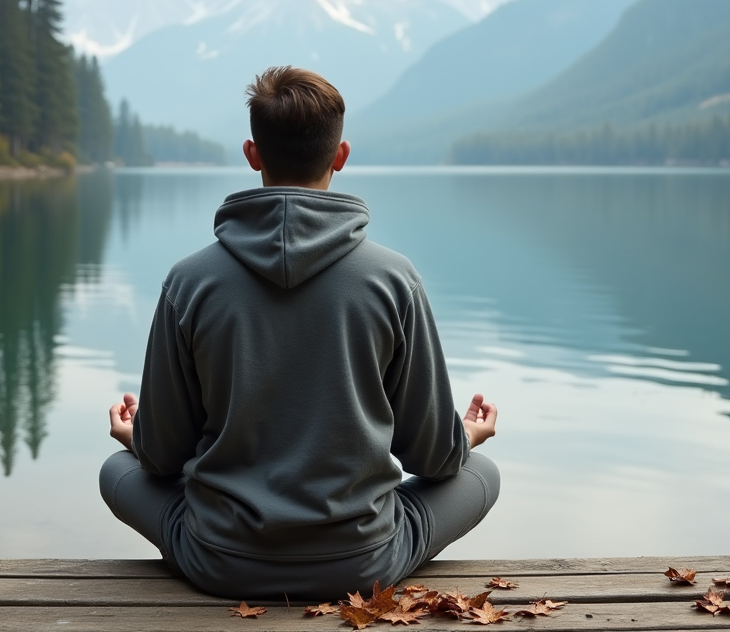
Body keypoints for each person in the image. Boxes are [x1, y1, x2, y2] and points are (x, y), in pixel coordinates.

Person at [100, 66, 499, 600]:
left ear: (252, 153)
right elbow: (434, 459)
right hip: (362, 566)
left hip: (220, 562)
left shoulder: (188, 281)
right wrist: (467, 437)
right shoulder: (393, 279)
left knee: (115, 470)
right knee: (483, 473)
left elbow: (163, 458)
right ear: (340, 156)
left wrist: (136, 438)